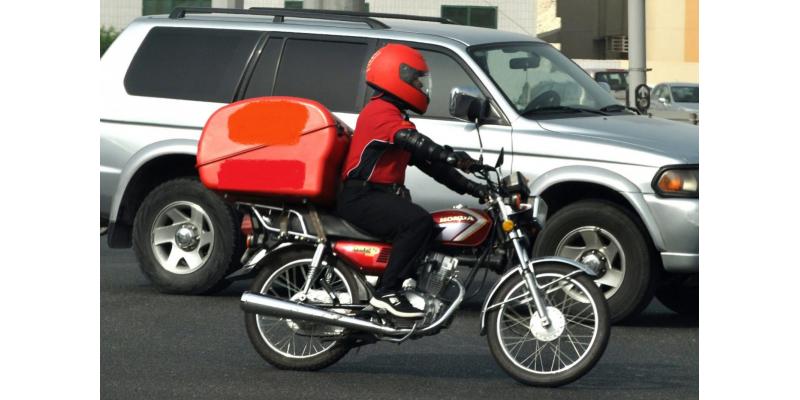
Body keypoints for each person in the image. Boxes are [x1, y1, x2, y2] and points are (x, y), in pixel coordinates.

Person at [337, 44, 488, 319]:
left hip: (377, 197)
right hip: (361, 197)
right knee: (417, 222)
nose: (421, 86)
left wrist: (476, 188)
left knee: (431, 227)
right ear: (396, 76)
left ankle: (408, 284)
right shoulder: (380, 112)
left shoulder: (396, 118)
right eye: (416, 80)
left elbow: (432, 166)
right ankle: (387, 292)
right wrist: (450, 155)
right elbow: (416, 143)